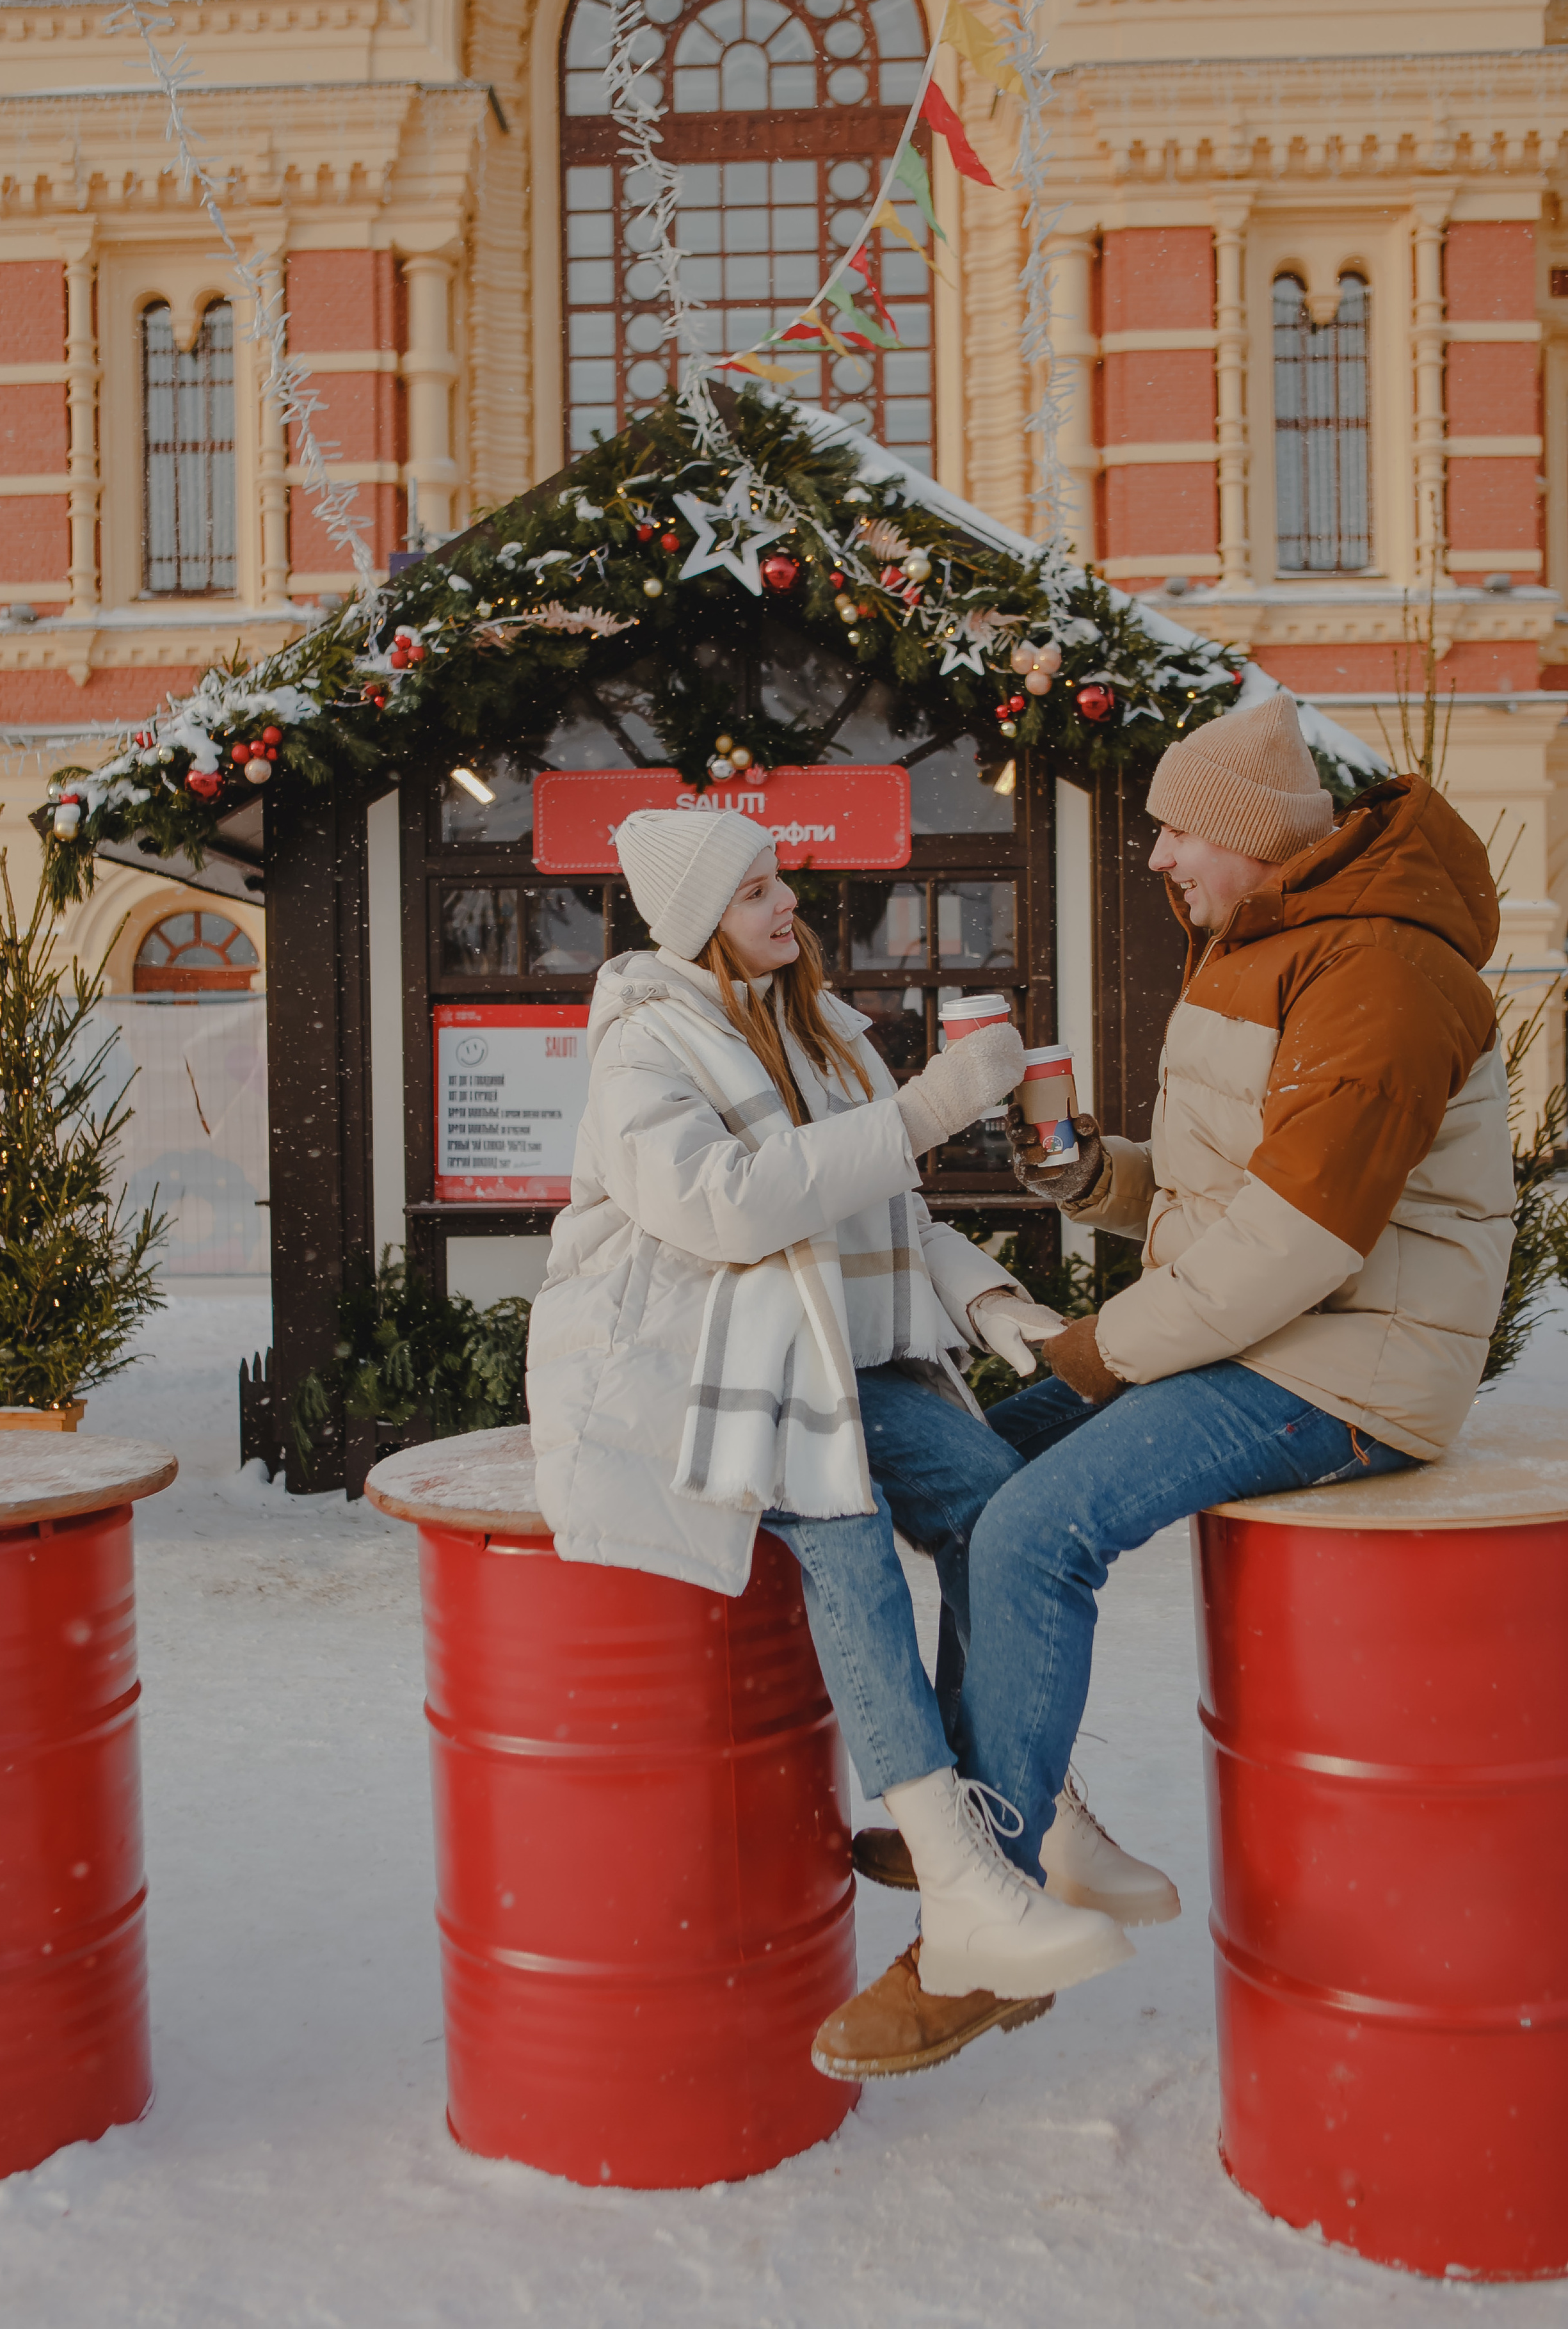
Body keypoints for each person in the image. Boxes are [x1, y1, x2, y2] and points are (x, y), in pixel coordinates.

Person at [818, 690, 1516, 2074]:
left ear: (1254, 838)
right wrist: (1097, 1177)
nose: (1154, 860)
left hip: (1348, 1367)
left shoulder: (1377, 969)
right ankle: (1000, 1808)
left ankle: (984, 1924)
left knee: (1030, 1529)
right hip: (1273, 1326)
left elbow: (1302, 1243)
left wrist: (1096, 1347)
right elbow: (1232, 1199)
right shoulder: (1267, 939)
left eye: (1177, 831)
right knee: (977, 1468)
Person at [527, 804, 1159, 2042]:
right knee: (848, 1543)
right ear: (699, 920)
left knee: (999, 1514)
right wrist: (927, 1111)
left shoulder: (823, 1034)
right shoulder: (644, 1053)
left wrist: (999, 1310)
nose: (784, 904)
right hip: (707, 1370)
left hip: (850, 1360)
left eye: (780, 880)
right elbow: (727, 1211)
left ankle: (1035, 1815)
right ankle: (966, 1877)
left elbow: (896, 1224)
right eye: (755, 889)